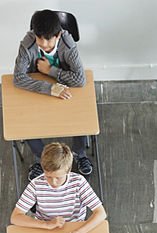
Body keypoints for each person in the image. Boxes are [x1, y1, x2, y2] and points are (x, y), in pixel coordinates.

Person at [13, 9, 92, 179]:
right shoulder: (27, 44)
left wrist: (51, 71)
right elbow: (18, 78)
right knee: (24, 121)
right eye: (39, 38)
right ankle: (41, 158)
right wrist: (50, 88)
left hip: (66, 90)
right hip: (39, 90)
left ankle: (79, 154)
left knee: (82, 116)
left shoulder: (68, 43)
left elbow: (79, 80)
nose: (43, 43)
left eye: (48, 39)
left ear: (58, 35)